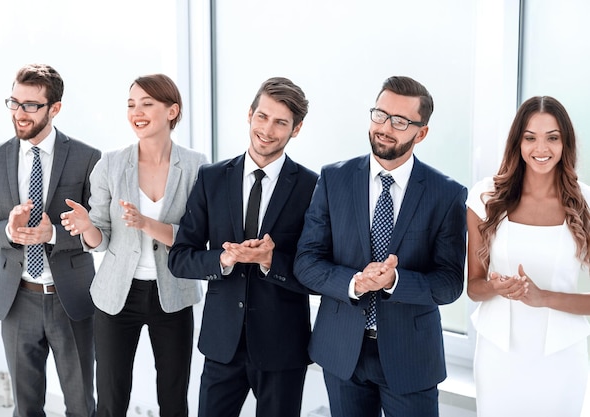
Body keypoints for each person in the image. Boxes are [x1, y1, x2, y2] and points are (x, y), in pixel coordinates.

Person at [294, 76, 467, 417]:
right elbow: (306, 262)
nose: (386, 128)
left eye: (400, 121)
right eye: (380, 115)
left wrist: (394, 281)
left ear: (421, 132)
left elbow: (448, 283)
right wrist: (354, 283)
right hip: (342, 351)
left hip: (411, 356)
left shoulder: (446, 195)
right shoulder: (333, 180)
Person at [168, 77, 318, 417]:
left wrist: (270, 261)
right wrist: (222, 259)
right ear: (250, 114)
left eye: (281, 122)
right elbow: (180, 259)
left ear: (296, 129)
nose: (267, 129)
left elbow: (316, 275)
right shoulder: (211, 177)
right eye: (262, 116)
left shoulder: (312, 187)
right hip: (222, 345)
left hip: (283, 348)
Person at [60, 74, 208, 417]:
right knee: (111, 400)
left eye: (147, 104)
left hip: (172, 295)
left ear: (172, 111)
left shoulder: (197, 166)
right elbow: (100, 239)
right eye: (131, 104)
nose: (136, 112)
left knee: (173, 398)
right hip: (116, 296)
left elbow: (196, 238)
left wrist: (147, 224)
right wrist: (87, 228)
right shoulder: (110, 164)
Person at [0, 63, 100, 417]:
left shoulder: (87, 157)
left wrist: (55, 234)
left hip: (70, 301)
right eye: (14, 103)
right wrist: (8, 232)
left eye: (30, 105)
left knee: (80, 405)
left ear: (54, 108)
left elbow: (99, 234)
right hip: (17, 302)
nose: (19, 113)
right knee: (26, 407)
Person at [466, 96, 590, 416]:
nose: (541, 148)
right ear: (517, 142)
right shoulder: (485, 197)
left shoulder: (585, 202)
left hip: (562, 356)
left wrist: (542, 297)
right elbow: (474, 287)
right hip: (498, 355)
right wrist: (497, 287)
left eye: (552, 137)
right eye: (530, 137)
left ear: (565, 143)